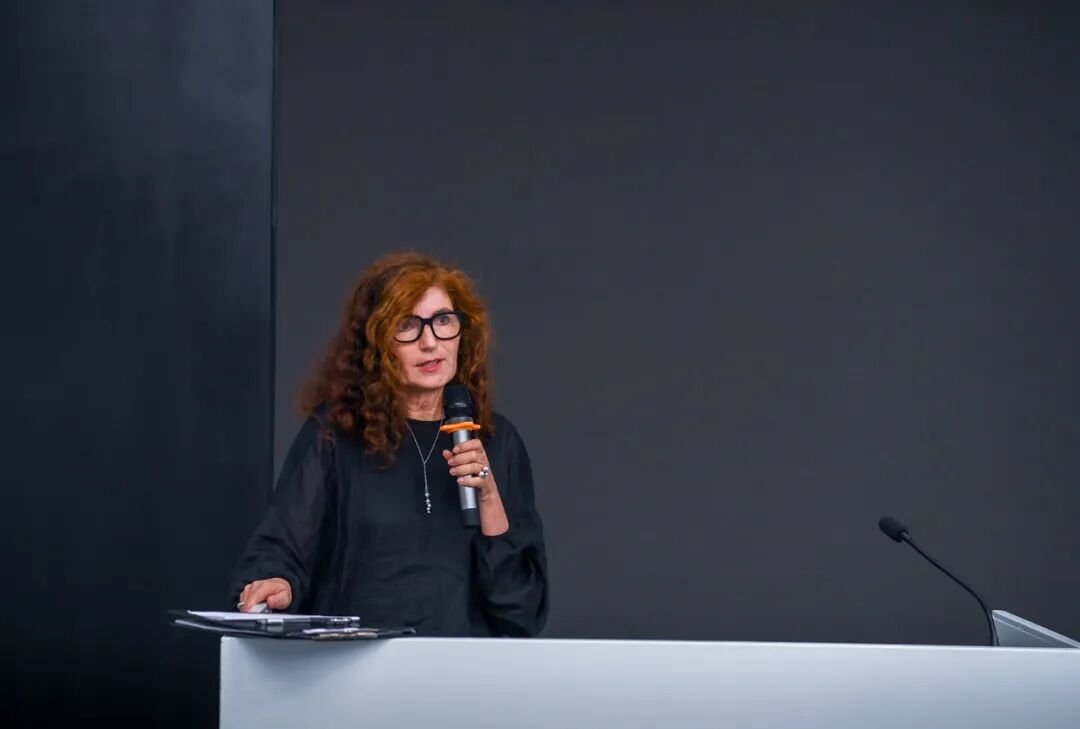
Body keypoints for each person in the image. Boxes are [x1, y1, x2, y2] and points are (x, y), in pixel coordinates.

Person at [228, 251, 548, 637]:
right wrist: (276, 583)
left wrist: (489, 497)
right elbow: (282, 546)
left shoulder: (496, 441)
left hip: (461, 667)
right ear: (376, 342)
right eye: (407, 325)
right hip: (355, 662)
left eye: (443, 321)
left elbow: (521, 612)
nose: (430, 342)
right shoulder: (336, 433)